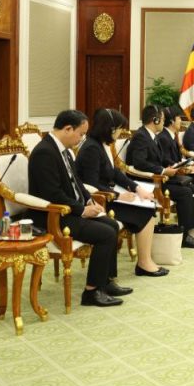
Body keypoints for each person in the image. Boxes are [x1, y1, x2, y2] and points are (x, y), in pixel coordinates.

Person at [28, 109, 131, 307]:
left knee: (111, 225)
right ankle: (91, 292)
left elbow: (77, 182)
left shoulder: (64, 150)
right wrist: (82, 210)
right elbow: (52, 194)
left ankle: (107, 282)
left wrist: (89, 200)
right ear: (68, 129)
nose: (82, 138)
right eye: (81, 134)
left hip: (70, 209)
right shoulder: (45, 153)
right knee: (105, 234)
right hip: (54, 215)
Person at [75, 108, 167, 277]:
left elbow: (115, 173)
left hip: (110, 195)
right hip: (100, 201)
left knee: (148, 205)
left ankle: (145, 261)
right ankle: (144, 263)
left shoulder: (102, 145)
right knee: (145, 211)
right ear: (110, 129)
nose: (120, 132)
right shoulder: (91, 148)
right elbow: (91, 183)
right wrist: (119, 196)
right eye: (119, 128)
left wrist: (137, 188)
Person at [126, 105, 194, 248]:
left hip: (159, 177)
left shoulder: (151, 135)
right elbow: (139, 163)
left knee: (190, 187)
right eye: (162, 119)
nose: (164, 122)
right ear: (155, 120)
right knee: (185, 192)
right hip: (148, 182)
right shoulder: (141, 136)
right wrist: (162, 171)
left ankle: (191, 231)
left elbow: (161, 158)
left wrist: (172, 167)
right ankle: (185, 236)